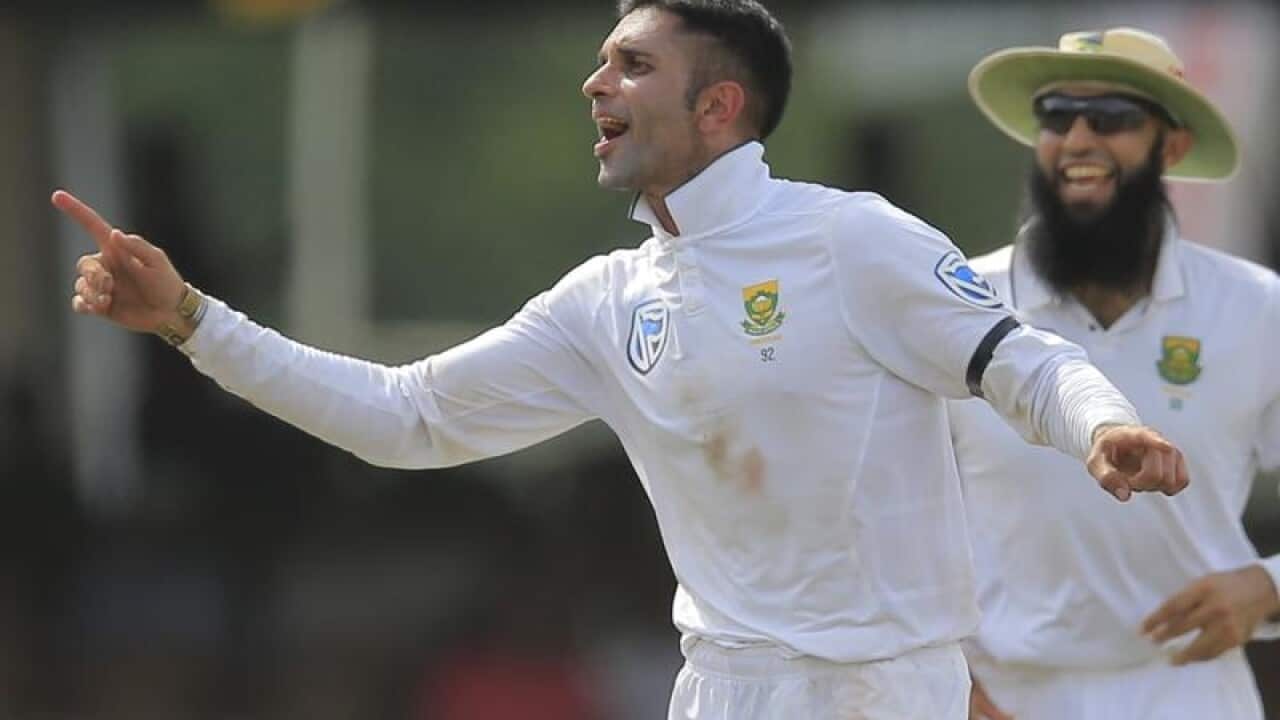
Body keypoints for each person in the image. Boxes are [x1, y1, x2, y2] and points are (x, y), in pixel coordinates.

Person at [56, 4, 1189, 718]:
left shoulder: (850, 238)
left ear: (719, 106)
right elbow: (403, 419)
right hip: (717, 688)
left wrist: (1097, 424)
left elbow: (1019, 360)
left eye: (629, 63)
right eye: (599, 61)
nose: (594, 85)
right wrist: (193, 321)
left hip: (879, 690)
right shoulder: (607, 300)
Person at [952, 27, 1280, 720]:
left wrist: (1271, 588)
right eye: (1055, 116)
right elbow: (873, 515)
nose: (1077, 138)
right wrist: (951, 688)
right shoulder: (958, 302)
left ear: (1174, 145)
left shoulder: (1257, 308)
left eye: (1113, 119)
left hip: (1194, 690)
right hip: (996, 699)